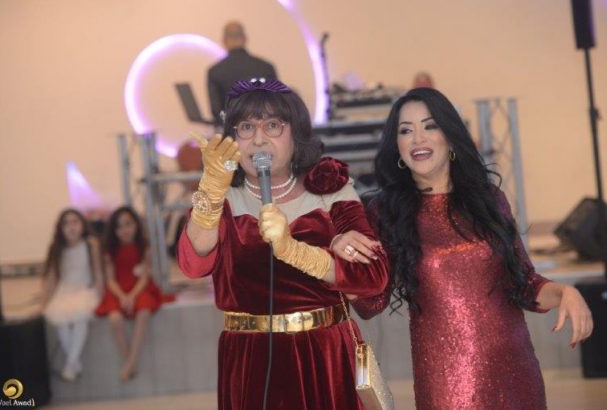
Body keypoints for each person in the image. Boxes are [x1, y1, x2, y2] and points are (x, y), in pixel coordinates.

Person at [331, 87, 593, 409]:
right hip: (446, 385)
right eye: (406, 131)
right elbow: (372, 303)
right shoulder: (386, 212)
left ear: (450, 137)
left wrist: (566, 293)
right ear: (396, 146)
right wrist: (343, 259)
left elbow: (524, 284)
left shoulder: (488, 199)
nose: (418, 139)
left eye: (430, 126)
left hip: (516, 373)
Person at [177, 79, 389, 409]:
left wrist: (292, 249)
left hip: (324, 354)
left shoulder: (328, 189)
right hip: (250, 357)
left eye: (273, 125)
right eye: (246, 127)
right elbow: (194, 263)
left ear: (296, 133)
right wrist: (210, 189)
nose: (258, 139)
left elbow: (373, 276)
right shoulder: (223, 196)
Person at [95, 206, 173, 381]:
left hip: (139, 287)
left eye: (128, 224)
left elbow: (145, 276)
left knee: (143, 312)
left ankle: (131, 362)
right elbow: (110, 279)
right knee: (114, 319)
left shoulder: (144, 247)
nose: (124, 230)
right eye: (119, 226)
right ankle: (129, 361)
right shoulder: (110, 251)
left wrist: (132, 296)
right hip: (118, 289)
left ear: (136, 225)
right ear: (113, 230)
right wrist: (123, 297)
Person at [40, 208, 103, 381]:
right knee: (61, 321)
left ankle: (70, 365)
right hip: (64, 291)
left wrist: (101, 294)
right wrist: (44, 303)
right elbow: (52, 278)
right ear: (60, 228)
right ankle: (74, 364)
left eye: (75, 222)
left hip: (84, 289)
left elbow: (97, 271)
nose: (71, 227)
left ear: (83, 225)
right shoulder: (57, 248)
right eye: (66, 223)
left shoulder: (90, 244)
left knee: (80, 318)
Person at [207, 21, 277, 122]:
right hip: (263, 127)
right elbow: (276, 104)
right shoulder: (266, 67)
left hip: (232, 129)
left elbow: (216, 111)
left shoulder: (215, 71)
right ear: (245, 39)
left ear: (224, 41)